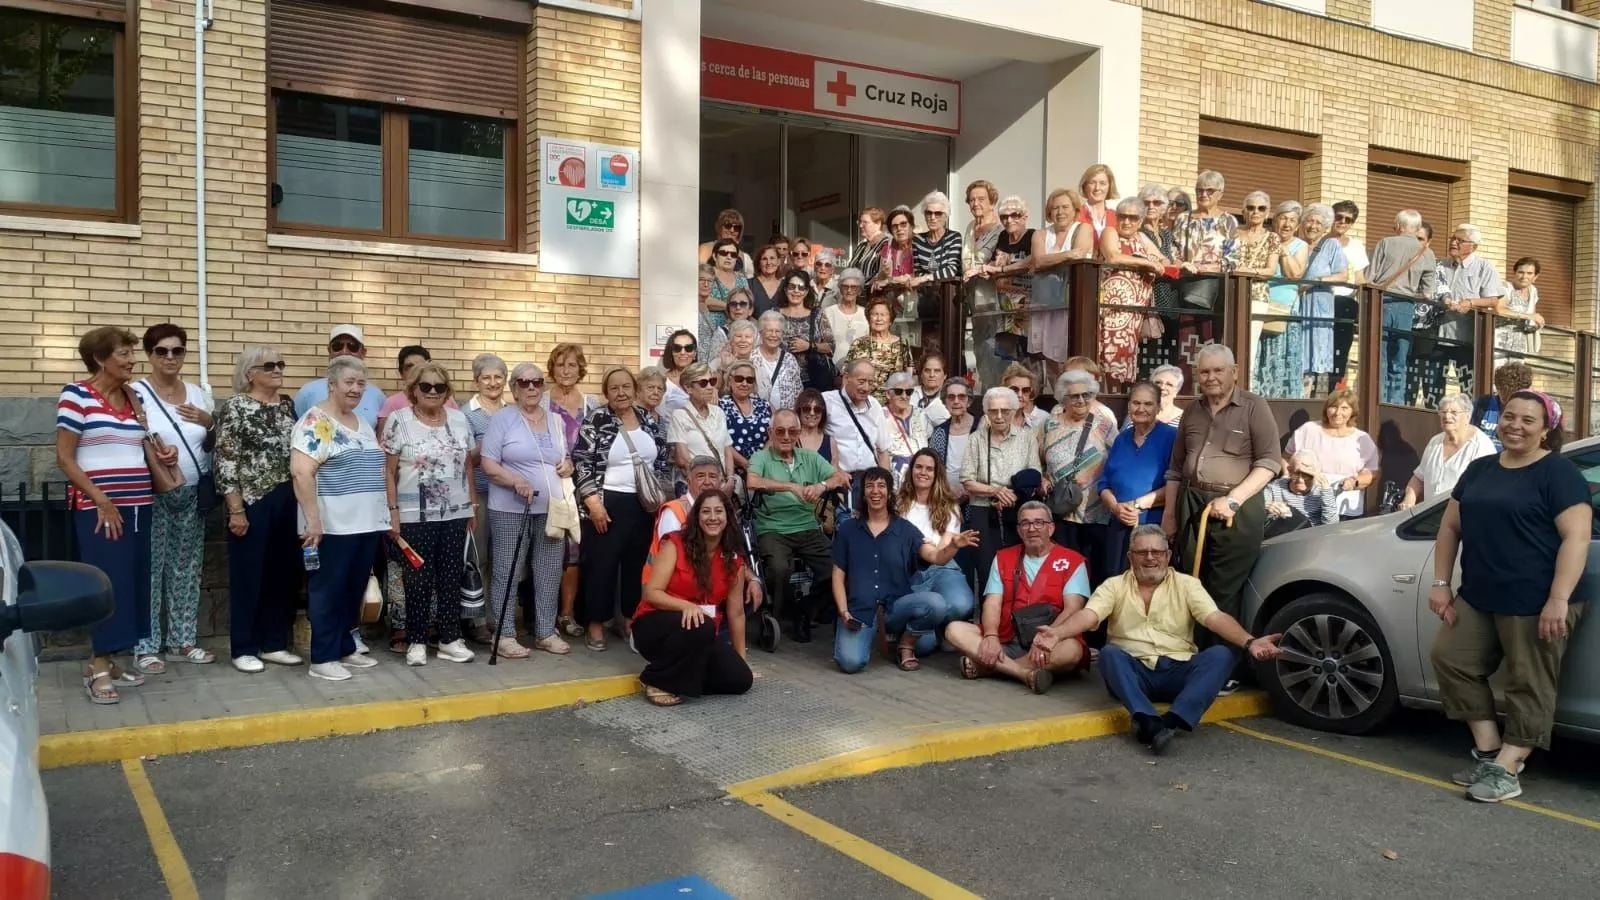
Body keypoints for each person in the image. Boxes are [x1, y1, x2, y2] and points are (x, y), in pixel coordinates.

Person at [1429, 391, 1589, 802]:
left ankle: (1509, 767)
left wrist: (1558, 598)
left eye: (1528, 420)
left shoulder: (1559, 474)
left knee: (1529, 681)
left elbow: (1577, 538)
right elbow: (1450, 528)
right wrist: (1441, 582)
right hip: (1480, 595)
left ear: (1547, 429)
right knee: (1452, 658)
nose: (1515, 425)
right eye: (1509, 417)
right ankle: (1489, 751)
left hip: (1536, 599)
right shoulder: (1481, 469)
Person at [1054, 526, 1283, 754]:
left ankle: (1171, 721)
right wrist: (1056, 634)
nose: (1150, 558)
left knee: (1221, 656)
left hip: (1178, 671)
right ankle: (1147, 719)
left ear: (1168, 556)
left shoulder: (1187, 585)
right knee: (1109, 654)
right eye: (1142, 552)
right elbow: (1088, 615)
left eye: (1157, 552)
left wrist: (1251, 642)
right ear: (1130, 557)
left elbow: (1215, 618)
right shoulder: (1113, 586)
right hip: (1134, 675)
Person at [57, 326, 171, 703]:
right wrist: (102, 500)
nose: (131, 360)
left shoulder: (134, 396)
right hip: (99, 508)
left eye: (130, 353)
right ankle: (99, 667)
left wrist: (164, 455)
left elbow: (139, 446)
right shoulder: (77, 395)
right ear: (100, 359)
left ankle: (111, 660)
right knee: (106, 584)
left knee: (132, 584)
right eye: (123, 354)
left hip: (140, 505)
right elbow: (65, 457)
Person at [1162, 343, 1279, 688]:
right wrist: (1170, 514)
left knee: (1223, 587)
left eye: (1217, 371)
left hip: (1236, 507)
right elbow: (1175, 469)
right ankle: (1194, 659)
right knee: (1190, 581)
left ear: (1234, 372)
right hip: (1191, 500)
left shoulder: (1255, 407)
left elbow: (1270, 463)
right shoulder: (1192, 410)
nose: (1210, 378)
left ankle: (1223, 670)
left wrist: (1234, 499)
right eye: (1204, 372)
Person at [289, 356, 389, 682]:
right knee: (327, 591)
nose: (356, 389)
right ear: (332, 384)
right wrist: (313, 521)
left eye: (361, 383)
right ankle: (323, 656)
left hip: (365, 523)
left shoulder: (360, 421)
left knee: (352, 589)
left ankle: (345, 646)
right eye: (349, 382)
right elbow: (302, 473)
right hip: (333, 525)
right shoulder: (314, 421)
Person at [381, 361, 477, 666]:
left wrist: (472, 506)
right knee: (418, 579)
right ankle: (417, 640)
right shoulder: (399, 420)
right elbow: (388, 471)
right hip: (413, 514)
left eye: (439, 387)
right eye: (426, 386)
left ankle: (450, 638)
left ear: (447, 391)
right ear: (413, 390)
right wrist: (392, 512)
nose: (433, 392)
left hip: (455, 512)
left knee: (450, 576)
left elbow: (468, 466)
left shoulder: (460, 420)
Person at [130, 324, 214, 669]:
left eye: (177, 351)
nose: (169, 357)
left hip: (192, 492)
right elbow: (126, 436)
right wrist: (152, 454)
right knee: (150, 569)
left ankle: (182, 640)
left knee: (187, 567)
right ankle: (146, 645)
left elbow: (213, 443)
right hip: (151, 492)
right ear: (149, 355)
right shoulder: (135, 392)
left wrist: (210, 421)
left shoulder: (196, 392)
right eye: (161, 351)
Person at [214, 346, 303, 674]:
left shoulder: (286, 405)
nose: (278, 370)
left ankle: (274, 643)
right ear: (250, 373)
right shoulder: (237, 406)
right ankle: (244, 646)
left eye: (281, 364)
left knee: (283, 573)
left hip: (286, 497)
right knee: (249, 575)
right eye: (270, 366)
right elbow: (225, 458)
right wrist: (235, 509)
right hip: (252, 499)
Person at [944, 501, 1091, 693]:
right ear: (1019, 530)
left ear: (1051, 528)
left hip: (1052, 641)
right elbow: (993, 603)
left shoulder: (1073, 561)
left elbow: (1073, 609)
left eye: (1039, 522)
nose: (1032, 529)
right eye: (1025, 524)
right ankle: (1024, 674)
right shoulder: (1004, 557)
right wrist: (990, 636)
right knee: (954, 630)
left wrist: (1047, 638)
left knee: (1072, 650)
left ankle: (988, 668)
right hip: (1007, 638)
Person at [479, 364, 573, 658]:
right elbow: (488, 463)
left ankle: (546, 632)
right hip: (510, 508)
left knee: (548, 571)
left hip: (551, 509)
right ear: (514, 388)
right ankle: (505, 634)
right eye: (524, 382)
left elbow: (564, 458)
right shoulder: (503, 419)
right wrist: (515, 481)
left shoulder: (556, 421)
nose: (531, 387)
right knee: (507, 569)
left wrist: (568, 465)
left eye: (536, 382)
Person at [573, 367, 671, 651]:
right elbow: (581, 461)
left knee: (635, 565)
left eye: (626, 386)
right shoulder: (596, 419)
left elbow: (661, 460)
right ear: (606, 393)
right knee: (600, 566)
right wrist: (592, 502)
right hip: (606, 503)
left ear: (635, 389)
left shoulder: (647, 419)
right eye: (614, 388)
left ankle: (628, 618)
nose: (621, 393)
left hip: (642, 506)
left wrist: (661, 498)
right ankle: (595, 623)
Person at [634, 491, 757, 706]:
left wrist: (741, 660)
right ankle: (654, 678)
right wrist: (686, 606)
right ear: (697, 517)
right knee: (703, 626)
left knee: (741, 680)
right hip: (656, 624)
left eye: (719, 512)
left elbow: (736, 614)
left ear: (728, 517)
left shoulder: (734, 559)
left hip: (701, 634)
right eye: (706, 511)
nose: (713, 517)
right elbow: (652, 593)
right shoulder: (675, 544)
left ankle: (681, 681)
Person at [747, 410, 851, 641]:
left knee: (837, 568)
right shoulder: (761, 457)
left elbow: (841, 478)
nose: (786, 436)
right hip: (773, 528)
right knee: (777, 569)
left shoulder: (809, 457)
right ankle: (775, 613)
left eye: (792, 431)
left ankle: (805, 609)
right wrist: (791, 487)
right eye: (780, 431)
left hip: (807, 526)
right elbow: (752, 481)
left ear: (798, 433)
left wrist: (822, 486)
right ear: (770, 432)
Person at [830, 467, 947, 674]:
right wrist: (843, 612)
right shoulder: (848, 530)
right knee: (850, 663)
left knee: (935, 605)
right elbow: (838, 577)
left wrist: (954, 545)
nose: (876, 491)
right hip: (861, 610)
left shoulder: (904, 529)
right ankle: (880, 636)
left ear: (890, 492)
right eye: (869, 486)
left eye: (881, 486)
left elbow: (935, 556)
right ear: (863, 493)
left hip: (896, 607)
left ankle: (906, 643)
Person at [895, 449, 979, 663]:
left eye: (929, 469)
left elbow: (943, 548)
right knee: (924, 646)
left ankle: (937, 623)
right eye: (919, 467)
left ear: (937, 474)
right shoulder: (897, 503)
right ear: (911, 470)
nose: (923, 472)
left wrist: (929, 547)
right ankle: (927, 628)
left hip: (942, 566)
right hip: (911, 570)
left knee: (961, 603)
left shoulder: (948, 504)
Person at [962, 386, 1043, 592]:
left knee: (1017, 566)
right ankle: (989, 618)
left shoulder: (1026, 438)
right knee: (986, 567)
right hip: (982, 508)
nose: (998, 416)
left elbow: (1034, 474)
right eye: (993, 411)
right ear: (987, 413)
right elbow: (967, 480)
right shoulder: (976, 439)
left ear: (1014, 411)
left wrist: (1011, 495)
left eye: (1004, 411)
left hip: (1017, 508)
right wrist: (995, 492)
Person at [1039, 368, 1116, 581]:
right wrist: (1043, 477)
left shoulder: (1104, 425)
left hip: (1096, 510)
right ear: (1063, 398)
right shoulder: (1049, 425)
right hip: (1061, 509)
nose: (1081, 400)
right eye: (1074, 396)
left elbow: (1118, 458)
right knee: (1063, 568)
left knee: (1095, 569)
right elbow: (1039, 460)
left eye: (1086, 395)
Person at [1099, 381, 1178, 578]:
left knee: (1148, 582)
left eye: (1148, 404)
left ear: (1159, 407)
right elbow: (1104, 482)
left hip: (1152, 526)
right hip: (1119, 524)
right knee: (1117, 581)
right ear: (1129, 406)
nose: (1140, 408)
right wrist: (1117, 507)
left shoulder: (1172, 438)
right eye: (1136, 403)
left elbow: (1175, 483)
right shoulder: (1121, 438)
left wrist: (1137, 506)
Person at [547, 343, 598, 639]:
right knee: (548, 548)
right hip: (549, 483)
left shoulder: (591, 404)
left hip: (581, 487)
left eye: (572, 365)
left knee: (574, 551)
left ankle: (566, 614)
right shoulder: (540, 401)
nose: (566, 370)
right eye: (560, 364)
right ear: (552, 368)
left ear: (580, 369)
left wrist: (575, 466)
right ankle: (540, 613)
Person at [1426, 224, 1504, 406]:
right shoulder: (1440, 265)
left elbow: (1493, 299)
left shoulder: (1484, 267)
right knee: (1433, 387)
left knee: (1468, 388)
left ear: (1473, 246)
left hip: (1467, 338)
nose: (1453, 243)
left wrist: (1469, 303)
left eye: (1459, 240)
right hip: (1437, 335)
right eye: (1452, 239)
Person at [460, 352, 507, 644]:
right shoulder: (466, 414)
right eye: (486, 377)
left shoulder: (511, 411)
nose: (492, 382)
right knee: (478, 559)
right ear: (476, 381)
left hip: (507, 496)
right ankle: (475, 621)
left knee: (500, 560)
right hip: (478, 494)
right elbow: (463, 459)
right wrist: (484, 447)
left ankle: (496, 618)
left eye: (498, 377)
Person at [1368, 210, 1438, 406]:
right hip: (1406, 307)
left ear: (1399, 226)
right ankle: (1395, 404)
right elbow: (1428, 293)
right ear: (1416, 227)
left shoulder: (1385, 243)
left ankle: (1376, 401)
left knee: (1378, 356)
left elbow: (1370, 277)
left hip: (1380, 302)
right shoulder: (1427, 252)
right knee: (1399, 359)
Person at [1097, 197, 1165, 388]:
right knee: (1108, 358)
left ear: (1141, 221)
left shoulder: (1141, 238)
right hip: (1111, 312)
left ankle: (1119, 400)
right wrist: (1148, 263)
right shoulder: (1110, 232)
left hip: (1133, 316)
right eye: (1122, 216)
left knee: (1126, 363)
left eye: (1132, 218)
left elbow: (1164, 260)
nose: (1126, 222)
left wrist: (1178, 263)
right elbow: (1112, 256)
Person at [1284, 388, 1380, 517]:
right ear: (1326, 409)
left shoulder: (1362, 439)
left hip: (1343, 509)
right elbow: (1285, 457)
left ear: (1352, 412)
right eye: (1333, 407)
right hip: (1304, 505)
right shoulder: (1308, 430)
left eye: (1344, 408)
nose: (1337, 413)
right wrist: (1288, 478)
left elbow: (1371, 473)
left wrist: (1354, 482)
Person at [1171, 171, 1238, 344]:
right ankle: (1185, 372)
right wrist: (1183, 264)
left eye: (1209, 190)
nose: (1203, 194)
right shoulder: (1183, 219)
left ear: (1220, 194)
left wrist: (1211, 268)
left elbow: (1234, 258)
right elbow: (1173, 250)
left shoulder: (1228, 221)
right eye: (1199, 190)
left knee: (1211, 340)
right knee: (1187, 341)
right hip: (1188, 285)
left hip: (1216, 288)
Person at [1029, 187, 1088, 377]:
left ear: (1075, 210)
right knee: (1049, 358)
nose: (1060, 212)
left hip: (1070, 302)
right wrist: (1067, 255)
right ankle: (1057, 397)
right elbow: (1037, 260)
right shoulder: (1040, 234)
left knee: (1069, 353)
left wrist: (1049, 261)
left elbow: (1080, 253)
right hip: (1045, 301)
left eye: (1065, 207)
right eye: (1055, 208)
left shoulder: (1083, 229)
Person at [1401, 393, 1497, 509]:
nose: (1447, 416)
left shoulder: (1481, 446)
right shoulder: (1435, 442)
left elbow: (1486, 491)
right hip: (1428, 518)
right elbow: (1419, 477)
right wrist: (1409, 498)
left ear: (1467, 416)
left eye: (1453, 413)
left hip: (1462, 519)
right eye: (1443, 412)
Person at [1293, 204, 1350, 397]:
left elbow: (1343, 275)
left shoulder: (1331, 245)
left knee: (1318, 351)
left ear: (1325, 227)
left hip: (1320, 304)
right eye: (1310, 220)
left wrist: (1316, 281)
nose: (1313, 226)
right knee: (1298, 349)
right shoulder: (1296, 244)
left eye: (1319, 222)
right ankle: (1299, 395)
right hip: (1297, 304)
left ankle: (1319, 399)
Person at [1255, 201, 1307, 397]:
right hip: (1261, 302)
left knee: (1282, 354)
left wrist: (1282, 250)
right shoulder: (1265, 239)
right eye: (1283, 218)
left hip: (1284, 307)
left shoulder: (1300, 245)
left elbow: (1294, 274)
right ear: (1274, 220)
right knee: (1260, 353)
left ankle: (1282, 396)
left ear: (1298, 225)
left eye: (1292, 220)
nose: (1287, 224)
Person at [294, 324, 386, 425]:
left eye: (352, 346)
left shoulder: (377, 396)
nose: (344, 351)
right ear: (329, 351)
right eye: (337, 346)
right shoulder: (308, 392)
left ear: (363, 352)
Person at [668, 362, 735, 493]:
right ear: (688, 388)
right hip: (695, 486)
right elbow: (683, 460)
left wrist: (730, 479)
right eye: (703, 383)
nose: (710, 387)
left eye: (712, 381)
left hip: (722, 484)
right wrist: (706, 484)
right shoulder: (679, 416)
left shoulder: (719, 413)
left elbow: (727, 449)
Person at [982, 196, 1036, 360]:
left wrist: (1001, 269)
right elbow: (994, 261)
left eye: (1015, 215)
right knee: (1007, 357)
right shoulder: (1003, 237)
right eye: (1004, 217)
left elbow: (1031, 262)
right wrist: (987, 269)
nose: (1009, 220)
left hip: (1027, 309)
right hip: (1004, 309)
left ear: (1025, 217)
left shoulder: (1033, 236)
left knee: (1030, 357)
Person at [1234, 190, 1282, 372]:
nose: (1256, 212)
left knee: (1250, 342)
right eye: (1251, 207)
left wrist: (1250, 271)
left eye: (1261, 208)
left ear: (1267, 212)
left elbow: (1270, 270)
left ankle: (1246, 385)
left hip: (1257, 294)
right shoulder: (1234, 234)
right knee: (1228, 338)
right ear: (1244, 210)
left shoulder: (1272, 238)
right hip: (1231, 292)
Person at [825, 359, 888, 483]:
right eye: (861, 381)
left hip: (870, 481)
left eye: (870, 383)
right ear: (846, 378)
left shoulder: (875, 405)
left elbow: (883, 450)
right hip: (840, 480)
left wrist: (885, 482)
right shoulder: (827, 401)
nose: (866, 388)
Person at [1329, 200, 1369, 386]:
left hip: (1346, 302)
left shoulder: (1356, 246)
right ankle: (1311, 393)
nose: (1343, 222)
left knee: (1340, 351)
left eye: (1348, 220)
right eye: (1339, 217)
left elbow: (1360, 278)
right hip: (1322, 299)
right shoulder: (1321, 241)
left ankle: (1333, 393)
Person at [843, 295, 912, 401]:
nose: (879, 319)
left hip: (893, 404)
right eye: (875, 314)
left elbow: (909, 378)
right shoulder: (858, 344)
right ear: (868, 318)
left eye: (883, 315)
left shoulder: (902, 344)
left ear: (890, 319)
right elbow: (846, 377)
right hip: (863, 401)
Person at [776, 269, 834, 390]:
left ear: (807, 291)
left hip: (813, 380)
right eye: (792, 286)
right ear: (785, 289)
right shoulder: (775, 313)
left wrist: (809, 346)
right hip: (782, 378)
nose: (796, 291)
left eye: (801, 288)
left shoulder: (817, 314)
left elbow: (831, 346)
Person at [378, 344, 458, 432]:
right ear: (401, 373)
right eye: (409, 367)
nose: (415, 371)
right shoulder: (392, 403)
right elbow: (383, 440)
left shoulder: (447, 400)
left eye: (420, 366)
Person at [876, 371, 930, 487]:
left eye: (909, 392)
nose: (904, 396)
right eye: (898, 392)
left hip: (921, 479)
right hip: (894, 481)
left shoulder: (921, 414)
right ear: (888, 394)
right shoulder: (879, 416)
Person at [1262, 450, 1339, 529]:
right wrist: (1267, 507)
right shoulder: (1275, 487)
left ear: (1316, 473)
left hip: (1312, 535)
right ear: (1289, 471)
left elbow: (1331, 526)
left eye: (1307, 475)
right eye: (1296, 474)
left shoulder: (1322, 492)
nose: (1300, 480)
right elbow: (1258, 513)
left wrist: (1326, 489)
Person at [720, 361, 772, 472]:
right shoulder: (720, 406)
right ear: (730, 381)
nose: (744, 383)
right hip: (733, 469)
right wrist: (747, 465)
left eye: (749, 380)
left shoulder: (764, 405)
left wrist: (759, 463)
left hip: (764, 468)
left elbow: (775, 434)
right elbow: (720, 440)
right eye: (739, 379)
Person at [928, 377, 976, 497]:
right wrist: (948, 490)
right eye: (951, 397)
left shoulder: (981, 427)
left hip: (976, 497)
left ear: (969, 401)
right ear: (945, 402)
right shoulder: (939, 432)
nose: (956, 401)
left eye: (961, 397)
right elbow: (933, 468)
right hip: (946, 497)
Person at [1472, 361, 1533, 451]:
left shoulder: (1530, 410)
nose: (1505, 395)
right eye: (1502, 389)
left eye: (1511, 392)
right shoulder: (1482, 404)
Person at [754, 311, 803, 411]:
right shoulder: (752, 357)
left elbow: (798, 392)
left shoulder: (790, 359)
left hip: (785, 420)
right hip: (759, 417)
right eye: (769, 331)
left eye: (777, 331)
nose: (774, 335)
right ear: (761, 333)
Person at [1496, 257, 1544, 356]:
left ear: (1535, 276)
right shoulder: (1505, 287)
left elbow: (1531, 316)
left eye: (1529, 273)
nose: (1524, 276)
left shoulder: (1533, 291)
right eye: (1521, 272)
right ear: (1514, 273)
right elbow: (1499, 310)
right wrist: (1528, 316)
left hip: (1520, 343)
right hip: (1499, 341)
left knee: (1517, 370)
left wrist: (1535, 324)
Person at [1070, 163, 1120, 257]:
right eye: (1092, 183)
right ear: (1085, 186)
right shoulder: (1075, 214)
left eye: (1102, 183)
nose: (1097, 188)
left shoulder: (1117, 216)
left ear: (1109, 187)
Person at [823, 267, 868, 370]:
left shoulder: (866, 314)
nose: (849, 290)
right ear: (840, 288)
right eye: (845, 286)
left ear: (859, 291)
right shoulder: (828, 312)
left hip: (859, 371)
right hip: (832, 370)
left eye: (854, 287)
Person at [873, 206, 917, 308]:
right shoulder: (887, 248)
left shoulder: (919, 244)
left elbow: (918, 275)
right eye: (894, 226)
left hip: (914, 299)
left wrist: (890, 280)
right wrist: (883, 274)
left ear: (911, 226)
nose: (899, 229)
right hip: (892, 301)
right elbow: (881, 278)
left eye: (903, 224)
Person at [708, 287, 758, 367]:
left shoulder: (757, 333)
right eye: (733, 304)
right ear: (728, 310)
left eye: (743, 304)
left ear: (750, 310)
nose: (738, 308)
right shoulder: (721, 333)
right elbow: (713, 367)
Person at [697, 208, 753, 273]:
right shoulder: (705, 249)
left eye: (737, 227)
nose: (732, 230)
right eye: (728, 226)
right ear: (719, 227)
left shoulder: (744, 258)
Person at [659, 329, 698, 418]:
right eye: (677, 348)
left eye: (688, 348)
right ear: (671, 352)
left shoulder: (705, 380)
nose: (683, 352)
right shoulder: (662, 382)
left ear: (694, 353)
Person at [1000, 363, 1050, 431]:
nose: (1020, 395)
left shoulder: (1044, 421)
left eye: (1025, 390)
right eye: (1014, 389)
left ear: (1031, 393)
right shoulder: (989, 421)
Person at [848, 206, 888, 285]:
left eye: (865, 222)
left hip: (874, 295)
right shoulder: (861, 247)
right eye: (860, 222)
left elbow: (882, 275)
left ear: (878, 224)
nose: (860, 226)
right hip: (854, 294)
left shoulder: (886, 245)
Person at [910, 352, 951, 428]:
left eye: (937, 371)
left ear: (945, 375)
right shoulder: (909, 393)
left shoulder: (952, 397)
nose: (932, 375)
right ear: (921, 374)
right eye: (927, 370)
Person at [794, 388, 833, 464]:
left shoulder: (830, 442)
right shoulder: (789, 437)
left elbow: (835, 470)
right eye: (806, 409)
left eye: (817, 409)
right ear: (799, 411)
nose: (812, 413)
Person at [749, 244, 785, 316]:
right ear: (759, 264)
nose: (768, 263)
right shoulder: (749, 284)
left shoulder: (786, 286)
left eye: (772, 258)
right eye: (764, 259)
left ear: (778, 262)